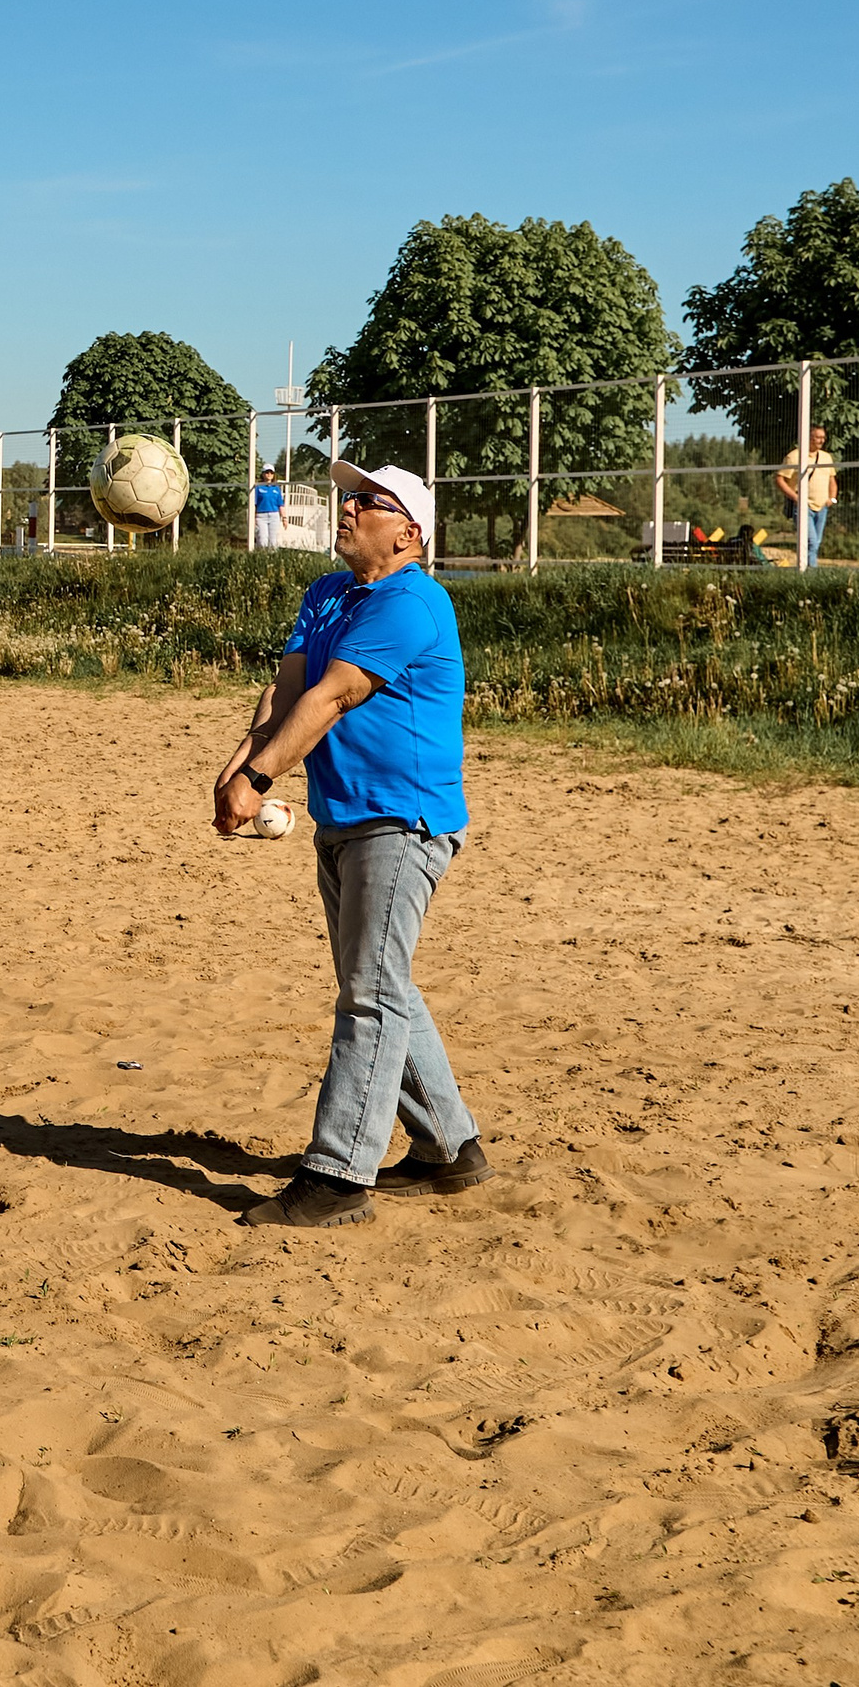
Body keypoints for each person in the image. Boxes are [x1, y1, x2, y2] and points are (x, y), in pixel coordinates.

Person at [213, 461, 486, 1229]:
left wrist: (260, 781)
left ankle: (338, 1176)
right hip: (345, 815)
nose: (347, 505)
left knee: (368, 995)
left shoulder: (413, 602)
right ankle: (448, 1149)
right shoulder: (327, 594)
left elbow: (334, 694)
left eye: (366, 500)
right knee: (382, 984)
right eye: (348, 495)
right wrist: (238, 766)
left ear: (408, 532)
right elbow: (289, 687)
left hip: (403, 821)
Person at [777, 425, 836, 565]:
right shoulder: (795, 456)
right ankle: (810, 574)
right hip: (804, 507)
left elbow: (832, 480)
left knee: (816, 542)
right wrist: (796, 497)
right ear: (809, 438)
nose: (821, 441)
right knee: (811, 542)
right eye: (818, 437)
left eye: (823, 438)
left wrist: (832, 498)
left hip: (822, 507)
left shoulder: (826, 457)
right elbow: (780, 479)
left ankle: (807, 570)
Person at [254, 465, 285, 550]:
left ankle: (272, 558)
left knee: (273, 541)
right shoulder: (258, 487)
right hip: (261, 516)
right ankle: (261, 557)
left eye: (271, 472)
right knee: (262, 540)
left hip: (274, 516)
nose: (269, 474)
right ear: (263, 474)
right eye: (267, 472)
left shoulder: (276, 488)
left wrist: (284, 518)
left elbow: (280, 504)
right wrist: (253, 518)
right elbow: (254, 504)